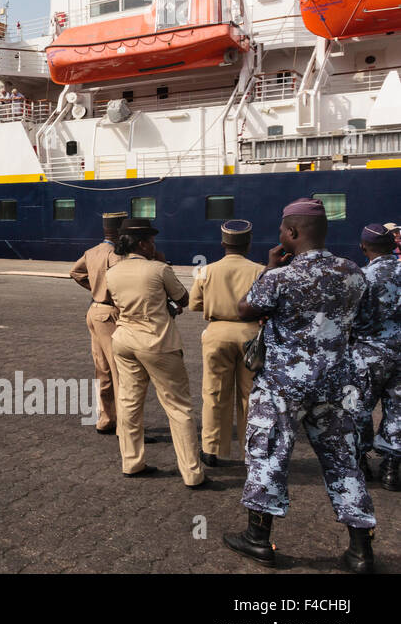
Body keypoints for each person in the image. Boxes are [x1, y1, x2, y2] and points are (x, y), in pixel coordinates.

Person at [223, 197, 375, 573]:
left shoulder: (280, 276)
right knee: (343, 461)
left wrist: (270, 269)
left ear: (291, 233)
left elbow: (245, 309)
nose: (280, 236)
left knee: (270, 454)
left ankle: (258, 541)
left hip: (282, 386)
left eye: (281, 231)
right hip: (336, 385)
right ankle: (360, 551)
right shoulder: (354, 271)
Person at [105, 217, 207, 487]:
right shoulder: (158, 269)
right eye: (151, 241)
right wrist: (161, 264)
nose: (154, 245)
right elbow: (184, 298)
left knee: (128, 401)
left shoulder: (112, 271)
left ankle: (132, 462)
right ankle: (192, 473)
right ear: (143, 243)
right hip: (157, 343)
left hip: (124, 340)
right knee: (178, 406)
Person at [188, 220, 264, 466]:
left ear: (223, 243)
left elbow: (193, 304)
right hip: (250, 335)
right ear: (249, 244)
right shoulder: (260, 270)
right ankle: (249, 450)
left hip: (217, 333)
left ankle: (211, 449)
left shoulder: (205, 271)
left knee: (214, 392)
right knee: (250, 395)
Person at [351, 223, 401, 492]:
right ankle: (392, 469)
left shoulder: (362, 277)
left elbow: (351, 319)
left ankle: (359, 462)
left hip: (367, 354)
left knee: (359, 407)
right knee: (399, 410)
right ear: (393, 245)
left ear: (363, 247)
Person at [71, 212, 127, 435]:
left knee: (102, 369)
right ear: (120, 231)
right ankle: (126, 425)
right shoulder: (118, 256)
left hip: (93, 310)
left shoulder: (91, 252)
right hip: (111, 314)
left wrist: (95, 288)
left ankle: (105, 419)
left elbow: (75, 272)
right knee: (120, 371)